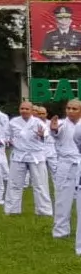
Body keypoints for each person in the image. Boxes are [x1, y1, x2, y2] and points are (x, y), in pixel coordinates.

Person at [6, 101, 52, 217]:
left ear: (32, 111)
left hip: (36, 156)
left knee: (40, 184)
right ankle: (12, 210)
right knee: (14, 184)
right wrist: (8, 141)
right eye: (22, 108)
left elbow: (46, 134)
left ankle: (44, 211)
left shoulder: (38, 122)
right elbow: (6, 136)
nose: (24, 111)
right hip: (19, 155)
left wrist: (42, 135)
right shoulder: (13, 122)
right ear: (19, 110)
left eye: (27, 109)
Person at [49, 99, 81, 245]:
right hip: (65, 164)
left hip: (79, 163)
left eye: (74, 109)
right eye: (68, 108)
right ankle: (61, 230)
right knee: (62, 198)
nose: (70, 111)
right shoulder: (61, 123)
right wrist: (53, 129)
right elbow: (55, 132)